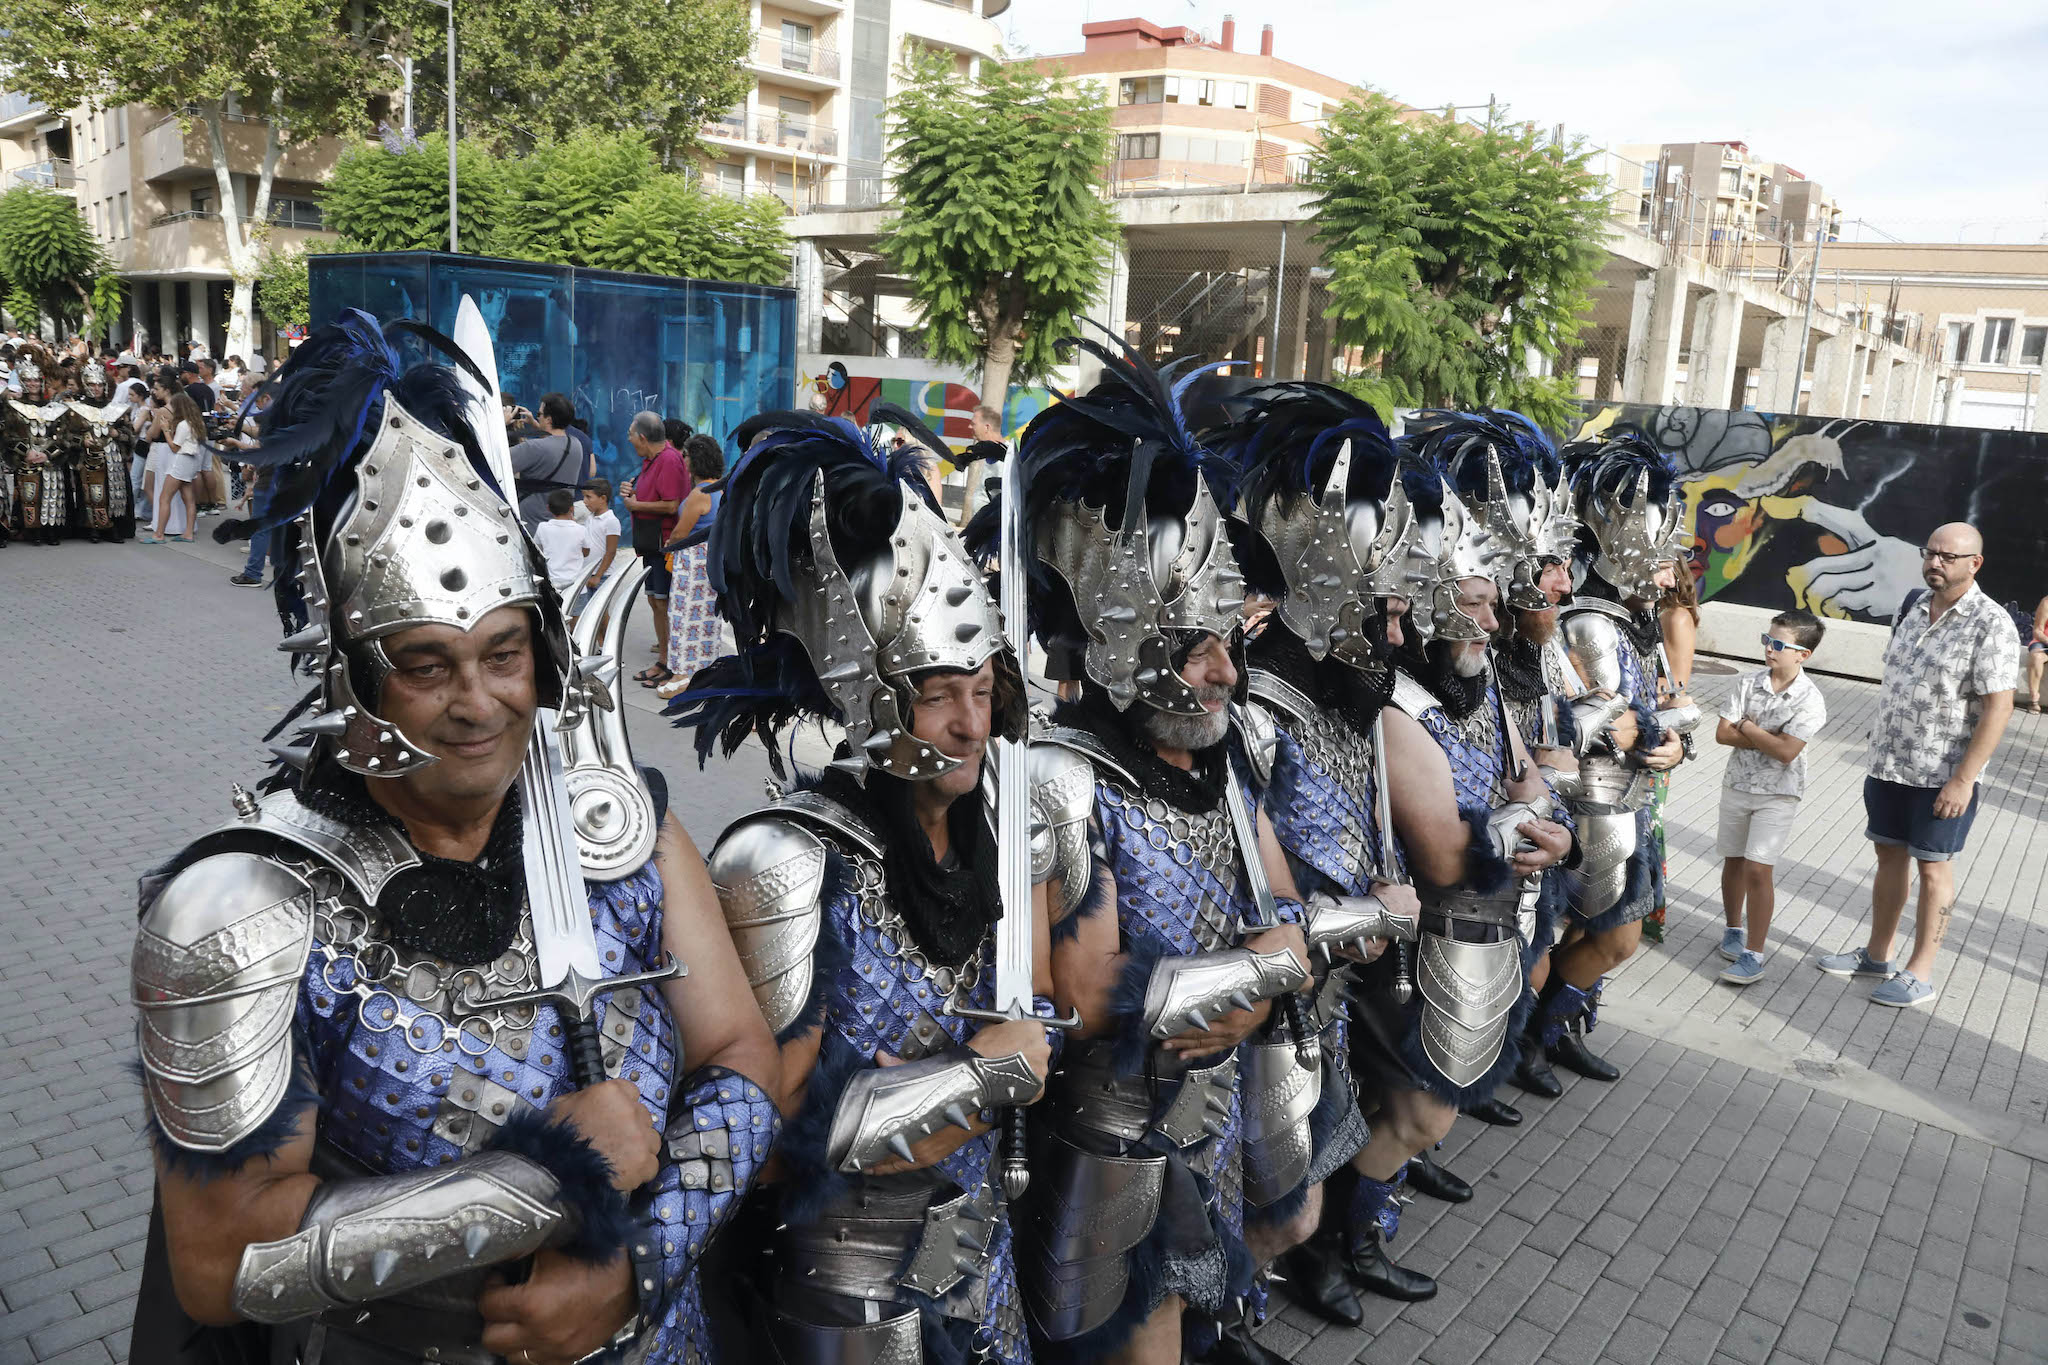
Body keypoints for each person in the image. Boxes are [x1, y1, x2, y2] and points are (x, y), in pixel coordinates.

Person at [132, 311, 780, 1365]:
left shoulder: (612, 825)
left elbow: (740, 1055)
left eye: (504, 653)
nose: (478, 703)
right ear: (350, 672)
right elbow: (219, 1264)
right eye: (427, 664)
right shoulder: (243, 908)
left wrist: (636, 1266)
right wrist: (535, 1181)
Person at [670, 409, 1048, 1365]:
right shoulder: (785, 860)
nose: (969, 723)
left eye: (981, 687)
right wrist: (974, 1077)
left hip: (978, 1242)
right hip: (841, 1280)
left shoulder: (996, 826)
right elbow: (750, 1139)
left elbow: (1034, 1014)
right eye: (935, 691)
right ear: (875, 700)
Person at [990, 343, 1321, 1365]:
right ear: (1125, 645)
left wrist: (1270, 960)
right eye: (1197, 645)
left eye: (1229, 638)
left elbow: (1282, 898)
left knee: (1232, 1277)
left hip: (1209, 1095)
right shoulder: (1059, 776)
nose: (1228, 669)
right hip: (1111, 1132)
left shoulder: (1214, 762)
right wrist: (1265, 966)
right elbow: (1094, 1003)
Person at [1200, 383, 1442, 1319]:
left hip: (1326, 986)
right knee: (1264, 1192)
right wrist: (1361, 916)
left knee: (1302, 1173)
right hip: (1260, 997)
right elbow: (1234, 881)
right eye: (1377, 611)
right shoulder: (1259, 708)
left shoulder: (1345, 693)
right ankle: (1233, 1308)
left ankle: (1263, 1288)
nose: (1395, 633)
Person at [1539, 430, 1692, 1082]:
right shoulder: (1592, 621)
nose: (1668, 574)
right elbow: (1612, 723)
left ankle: (1554, 1032)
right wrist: (1664, 729)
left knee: (1590, 936)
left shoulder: (1634, 618)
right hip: (1590, 799)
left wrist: (1674, 739)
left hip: (1627, 796)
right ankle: (1527, 1041)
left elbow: (1653, 710)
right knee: (1606, 935)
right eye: (1658, 559)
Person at [1816, 522, 2019, 1008]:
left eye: (1949, 556)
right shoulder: (1909, 607)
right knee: (1888, 858)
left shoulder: (1991, 624)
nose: (1936, 562)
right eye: (1931, 553)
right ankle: (1877, 955)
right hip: (1889, 765)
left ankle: (1920, 973)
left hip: (1942, 777)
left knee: (1934, 869)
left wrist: (1963, 780)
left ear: (1975, 564)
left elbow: (1999, 708)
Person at [1716, 610, 1828, 985]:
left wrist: (1746, 726)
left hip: (1778, 794)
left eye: (1779, 644)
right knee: (1733, 860)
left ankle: (1754, 953)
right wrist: (1769, 736)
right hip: (1737, 785)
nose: (1769, 649)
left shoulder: (1810, 700)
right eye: (1767, 640)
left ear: (1803, 655)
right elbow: (1721, 734)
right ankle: (1733, 928)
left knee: (1758, 869)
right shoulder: (1747, 683)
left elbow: (1786, 753)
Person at [1642, 571, 1701, 943]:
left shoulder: (1675, 615)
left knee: (1650, 824)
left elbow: (1678, 683)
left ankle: (1648, 912)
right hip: (1634, 721)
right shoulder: (1649, 611)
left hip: (1656, 726)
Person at [620, 412, 689, 686]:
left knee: (663, 603)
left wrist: (636, 506)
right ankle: (664, 659)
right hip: (650, 544)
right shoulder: (651, 460)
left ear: (643, 438)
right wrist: (632, 490)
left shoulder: (669, 460)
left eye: (630, 434)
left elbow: (672, 505)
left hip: (664, 543)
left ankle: (670, 663)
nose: (628, 439)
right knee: (655, 601)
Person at [509, 392, 593, 529]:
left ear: (548, 420)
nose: (538, 417)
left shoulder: (534, 447)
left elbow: (497, 462)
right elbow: (553, 441)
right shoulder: (576, 444)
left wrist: (502, 423)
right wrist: (536, 424)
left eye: (539, 414)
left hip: (532, 526)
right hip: (560, 524)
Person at [226, 386, 278, 586]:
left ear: (266, 397)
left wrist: (238, 444)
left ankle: (253, 573)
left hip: (270, 479)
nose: (255, 406)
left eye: (257, 401)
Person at [146, 388, 207, 544]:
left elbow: (174, 447)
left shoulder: (184, 425)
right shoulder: (197, 423)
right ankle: (188, 533)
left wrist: (166, 429)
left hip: (181, 461)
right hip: (193, 461)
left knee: (164, 497)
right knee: (189, 499)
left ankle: (159, 534)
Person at [575, 477, 622, 609]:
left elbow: (610, 551)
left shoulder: (611, 521)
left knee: (599, 615)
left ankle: (608, 631)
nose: (584, 501)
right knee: (587, 613)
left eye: (589, 497)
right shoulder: (590, 517)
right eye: (584, 497)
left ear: (603, 498)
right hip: (587, 574)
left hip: (602, 576)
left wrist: (598, 575)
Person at [534, 487, 590, 594]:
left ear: (548, 508)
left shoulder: (542, 527)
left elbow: (538, 550)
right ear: (572, 509)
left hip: (552, 585)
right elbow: (586, 552)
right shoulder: (581, 529)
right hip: (577, 587)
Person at [2024, 594, 2047, 713]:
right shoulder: (2046, 602)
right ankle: (2033, 698)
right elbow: (2037, 630)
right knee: (2036, 656)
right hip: (2044, 641)